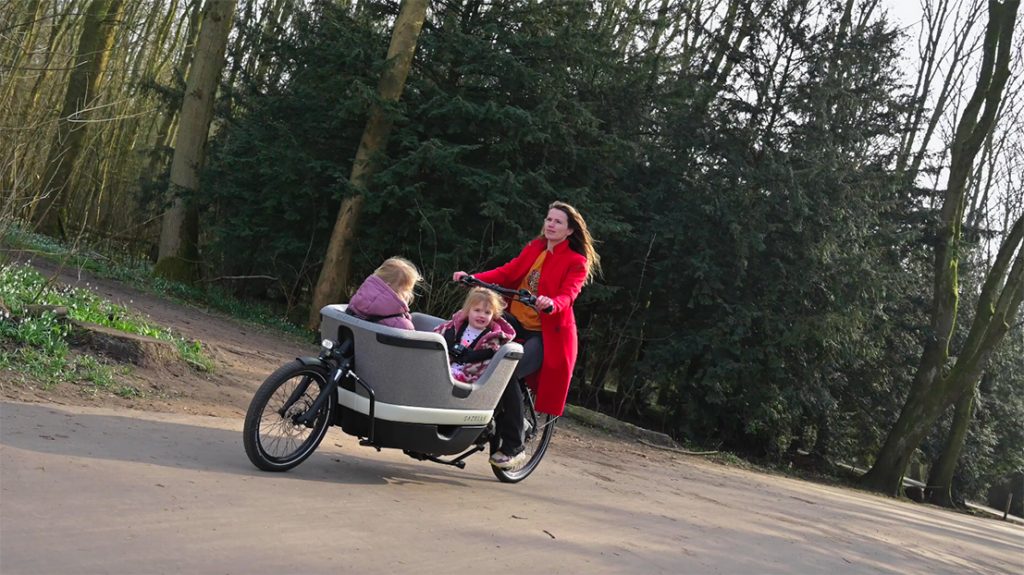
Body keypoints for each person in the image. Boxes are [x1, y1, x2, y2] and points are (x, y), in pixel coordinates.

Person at [453, 201, 600, 469]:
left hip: (546, 334)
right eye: (548, 219)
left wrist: (553, 303)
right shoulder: (535, 248)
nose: (550, 224)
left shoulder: (575, 262)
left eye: (557, 221)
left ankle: (514, 445)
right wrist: (473, 278)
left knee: (506, 371)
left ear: (569, 231)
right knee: (470, 336)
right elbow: (507, 272)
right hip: (515, 321)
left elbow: (569, 294)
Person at [434, 288, 516, 383]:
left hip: (467, 379)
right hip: (441, 369)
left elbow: (485, 366)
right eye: (477, 310)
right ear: (468, 311)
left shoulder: (491, 340)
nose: (482, 315)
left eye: (487, 312)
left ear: (493, 316)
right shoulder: (452, 327)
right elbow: (434, 338)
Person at [346, 256, 421, 330]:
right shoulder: (402, 325)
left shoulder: (354, 306)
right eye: (408, 291)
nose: (410, 295)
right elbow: (415, 341)